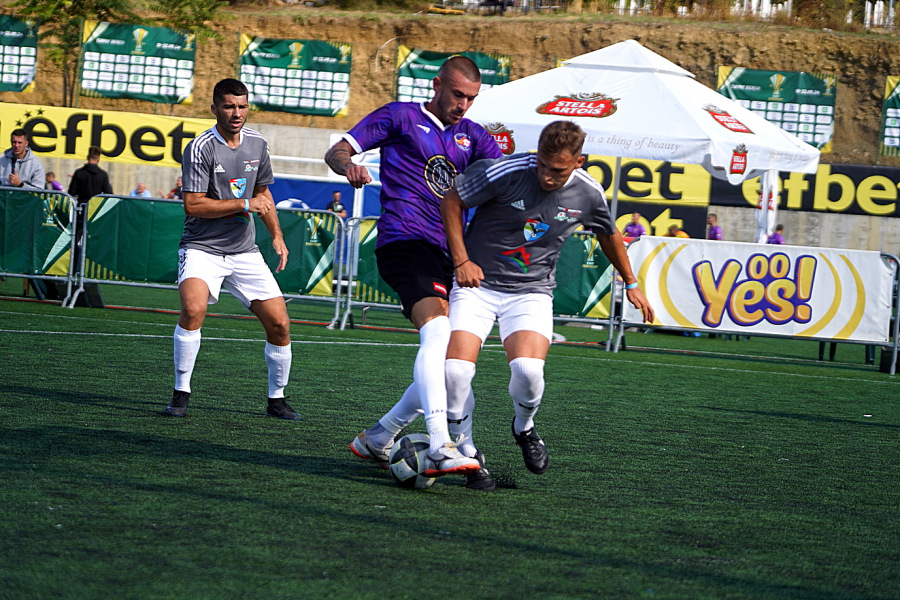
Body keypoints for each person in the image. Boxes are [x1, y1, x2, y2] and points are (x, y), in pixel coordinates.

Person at [439, 121, 655, 489]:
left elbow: (609, 233)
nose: (547, 176)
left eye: (557, 170)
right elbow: (452, 198)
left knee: (526, 370)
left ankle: (524, 428)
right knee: (455, 372)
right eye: (542, 164)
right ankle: (467, 452)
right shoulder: (505, 170)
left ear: (579, 162)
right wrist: (461, 260)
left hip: (531, 292)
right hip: (477, 286)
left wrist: (632, 283)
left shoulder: (588, 192)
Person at [325, 56, 502, 478]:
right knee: (437, 332)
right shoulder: (401, 116)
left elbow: (503, 177)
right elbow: (339, 149)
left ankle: (380, 436)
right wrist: (348, 165)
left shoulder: (473, 136)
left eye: (472, 98)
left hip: (454, 257)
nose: (463, 105)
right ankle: (441, 443)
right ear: (437, 84)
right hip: (405, 242)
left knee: (449, 362)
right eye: (458, 94)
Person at [162, 78, 299, 422]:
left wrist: (277, 237)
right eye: (228, 106)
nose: (236, 113)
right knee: (193, 310)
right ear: (214, 109)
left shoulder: (258, 144)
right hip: (201, 248)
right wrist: (242, 204)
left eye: (242, 106)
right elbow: (192, 206)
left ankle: (277, 399)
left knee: (280, 324)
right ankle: (181, 392)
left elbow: (264, 196)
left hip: (245, 252)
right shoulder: (200, 147)